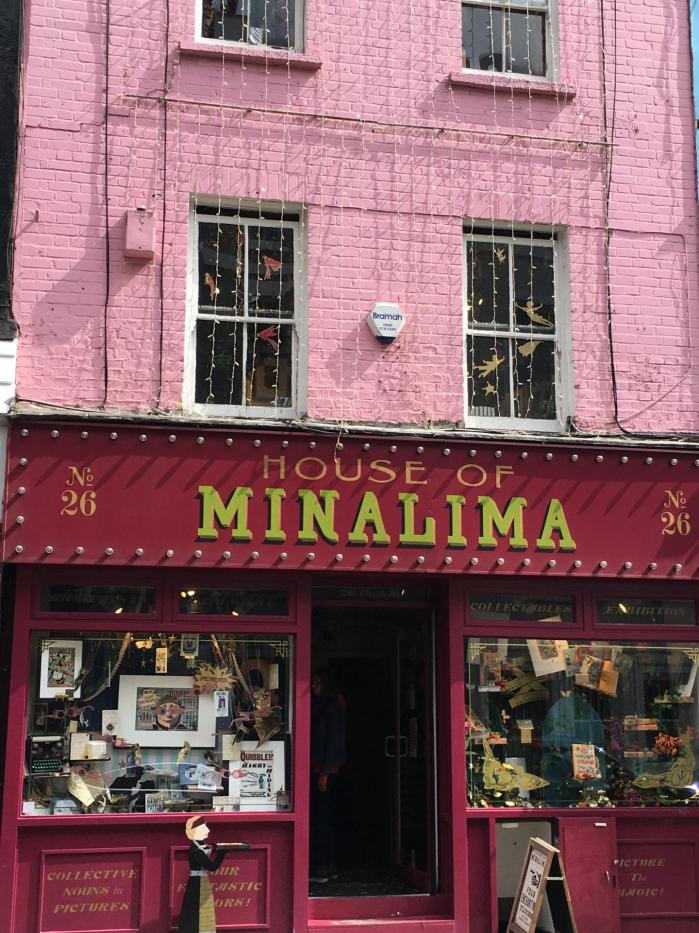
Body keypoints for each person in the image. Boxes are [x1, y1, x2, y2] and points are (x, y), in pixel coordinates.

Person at [309, 669, 346, 884]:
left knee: (322, 819)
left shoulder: (331, 707)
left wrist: (325, 772)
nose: (312, 687)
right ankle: (327, 865)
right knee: (322, 818)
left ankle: (324, 867)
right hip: (321, 770)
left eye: (316, 682)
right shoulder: (324, 706)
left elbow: (334, 741)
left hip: (326, 772)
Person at [177, 816, 227, 933]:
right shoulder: (196, 850)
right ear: (196, 830)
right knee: (196, 909)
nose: (207, 830)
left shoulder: (200, 845)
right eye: (204, 827)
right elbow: (212, 867)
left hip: (202, 881)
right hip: (197, 883)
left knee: (202, 908)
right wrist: (222, 853)